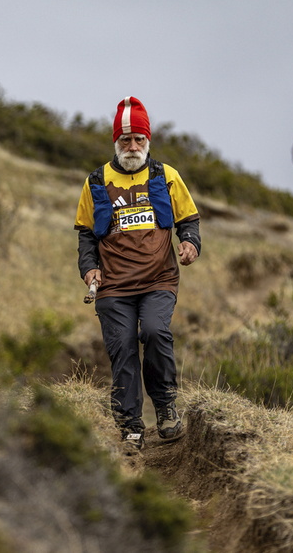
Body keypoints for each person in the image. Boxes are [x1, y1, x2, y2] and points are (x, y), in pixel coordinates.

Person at [74, 96, 201, 452]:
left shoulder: (165, 176)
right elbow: (86, 234)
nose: (132, 147)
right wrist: (89, 267)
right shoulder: (96, 181)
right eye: (125, 140)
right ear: (116, 142)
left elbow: (188, 219)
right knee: (123, 347)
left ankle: (166, 408)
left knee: (156, 332)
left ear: (148, 140)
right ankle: (130, 424)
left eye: (139, 139)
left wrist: (190, 243)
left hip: (159, 280)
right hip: (113, 286)